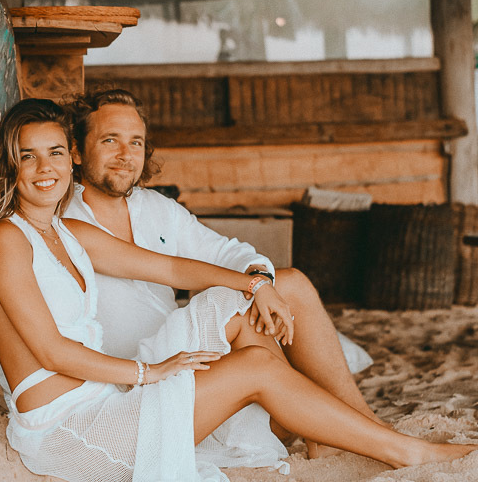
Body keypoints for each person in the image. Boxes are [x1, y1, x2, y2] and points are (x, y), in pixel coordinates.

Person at [0, 97, 474, 482]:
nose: (46, 169)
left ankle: (359, 437)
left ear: (69, 159)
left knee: (249, 317)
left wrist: (255, 283)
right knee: (255, 367)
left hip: (108, 399)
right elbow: (52, 352)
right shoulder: (6, 238)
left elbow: (172, 268)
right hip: (69, 431)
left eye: (54, 153)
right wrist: (149, 372)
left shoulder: (67, 231)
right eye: (29, 157)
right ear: (12, 164)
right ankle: (404, 451)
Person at [63, 88, 381, 462]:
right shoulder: (62, 220)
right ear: (76, 151)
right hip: (134, 377)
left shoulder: (156, 207)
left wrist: (260, 278)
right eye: (110, 140)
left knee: (287, 283)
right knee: (251, 295)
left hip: (184, 354)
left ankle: (353, 420)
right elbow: (173, 269)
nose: (125, 154)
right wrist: (254, 285)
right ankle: (337, 428)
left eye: (136, 142)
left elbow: (227, 252)